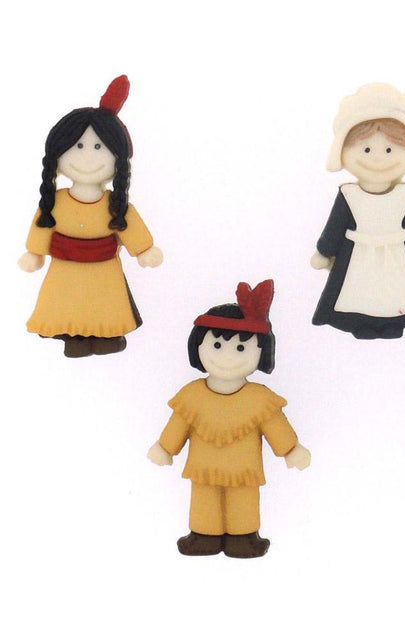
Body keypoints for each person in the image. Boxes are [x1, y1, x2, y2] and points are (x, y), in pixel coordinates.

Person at [147, 280, 311, 558]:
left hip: (243, 469)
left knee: (243, 499)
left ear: (262, 352)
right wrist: (165, 448)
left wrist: (291, 449)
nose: (227, 357)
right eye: (217, 344)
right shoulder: (192, 395)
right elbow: (179, 425)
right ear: (197, 345)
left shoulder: (260, 399)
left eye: (241, 349)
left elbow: (275, 427)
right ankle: (204, 534)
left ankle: (243, 536)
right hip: (204, 467)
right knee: (204, 497)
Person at [18, 76, 162, 357]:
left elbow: (131, 229)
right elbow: (42, 228)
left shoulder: (116, 205)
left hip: (103, 270)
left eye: (98, 147)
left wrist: (144, 250)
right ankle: (74, 339)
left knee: (104, 306)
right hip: (64, 270)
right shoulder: (54, 202)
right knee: (65, 305)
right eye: (79, 146)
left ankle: (106, 337)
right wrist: (34, 253)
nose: (87, 158)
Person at [311, 83, 405, 339]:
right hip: (358, 255)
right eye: (367, 149)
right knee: (358, 291)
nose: (377, 158)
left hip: (398, 255)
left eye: (389, 149)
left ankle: (394, 323)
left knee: (398, 291)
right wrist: (325, 251)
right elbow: (335, 227)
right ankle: (362, 323)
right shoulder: (349, 195)